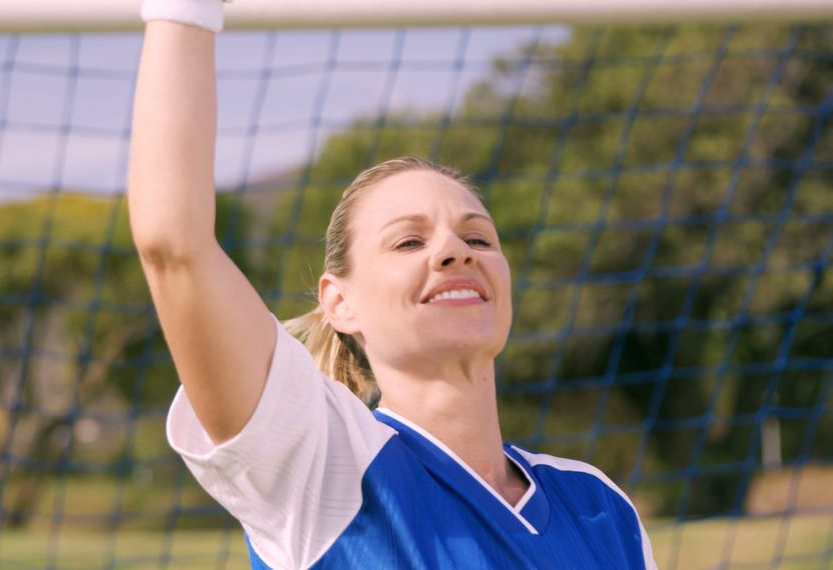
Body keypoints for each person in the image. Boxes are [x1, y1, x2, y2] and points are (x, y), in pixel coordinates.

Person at [128, 1, 657, 568]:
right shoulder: (322, 466)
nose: (456, 251)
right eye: (409, 242)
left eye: (478, 239)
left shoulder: (600, 505)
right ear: (339, 302)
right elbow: (173, 246)